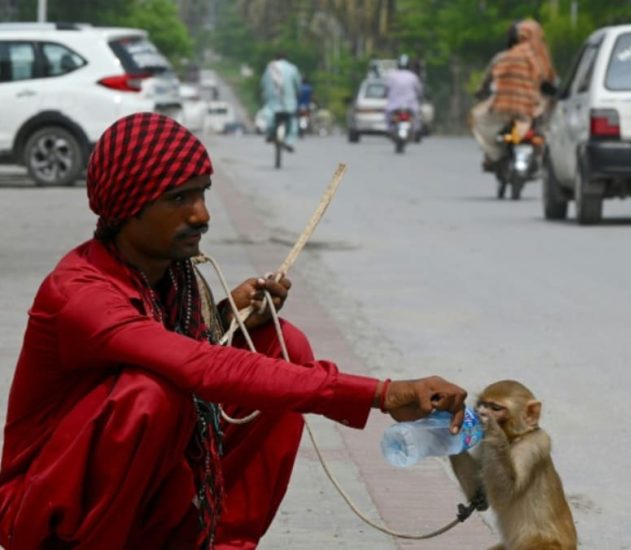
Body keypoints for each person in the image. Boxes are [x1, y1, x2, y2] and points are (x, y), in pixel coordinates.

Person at [0, 112, 468, 549]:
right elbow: (195, 365)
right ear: (129, 206)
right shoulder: (80, 291)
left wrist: (225, 317)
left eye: (202, 192)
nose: (202, 215)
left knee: (280, 350)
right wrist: (382, 394)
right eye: (179, 198)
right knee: (152, 396)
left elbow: (181, 345)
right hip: (44, 513)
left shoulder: (177, 276)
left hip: (144, 493)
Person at [471, 18, 557, 170]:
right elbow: (550, 82)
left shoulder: (502, 57)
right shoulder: (541, 59)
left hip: (505, 108)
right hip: (534, 109)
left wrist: (481, 92)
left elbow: (488, 80)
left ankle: (494, 156)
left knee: (479, 118)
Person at [260, 52, 302, 151]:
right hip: (289, 104)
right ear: (286, 59)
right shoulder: (292, 68)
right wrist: (297, 93)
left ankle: (270, 134)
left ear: (275, 59)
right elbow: (298, 85)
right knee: (292, 121)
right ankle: (289, 142)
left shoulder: (270, 68)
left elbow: (263, 83)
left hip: (272, 104)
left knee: (269, 118)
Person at [384, 54, 424, 135]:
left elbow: (386, 89)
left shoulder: (392, 76)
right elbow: (419, 90)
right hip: (410, 105)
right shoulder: (413, 76)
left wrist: (384, 95)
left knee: (388, 116)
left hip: (394, 105)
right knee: (417, 117)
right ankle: (416, 131)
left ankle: (389, 130)